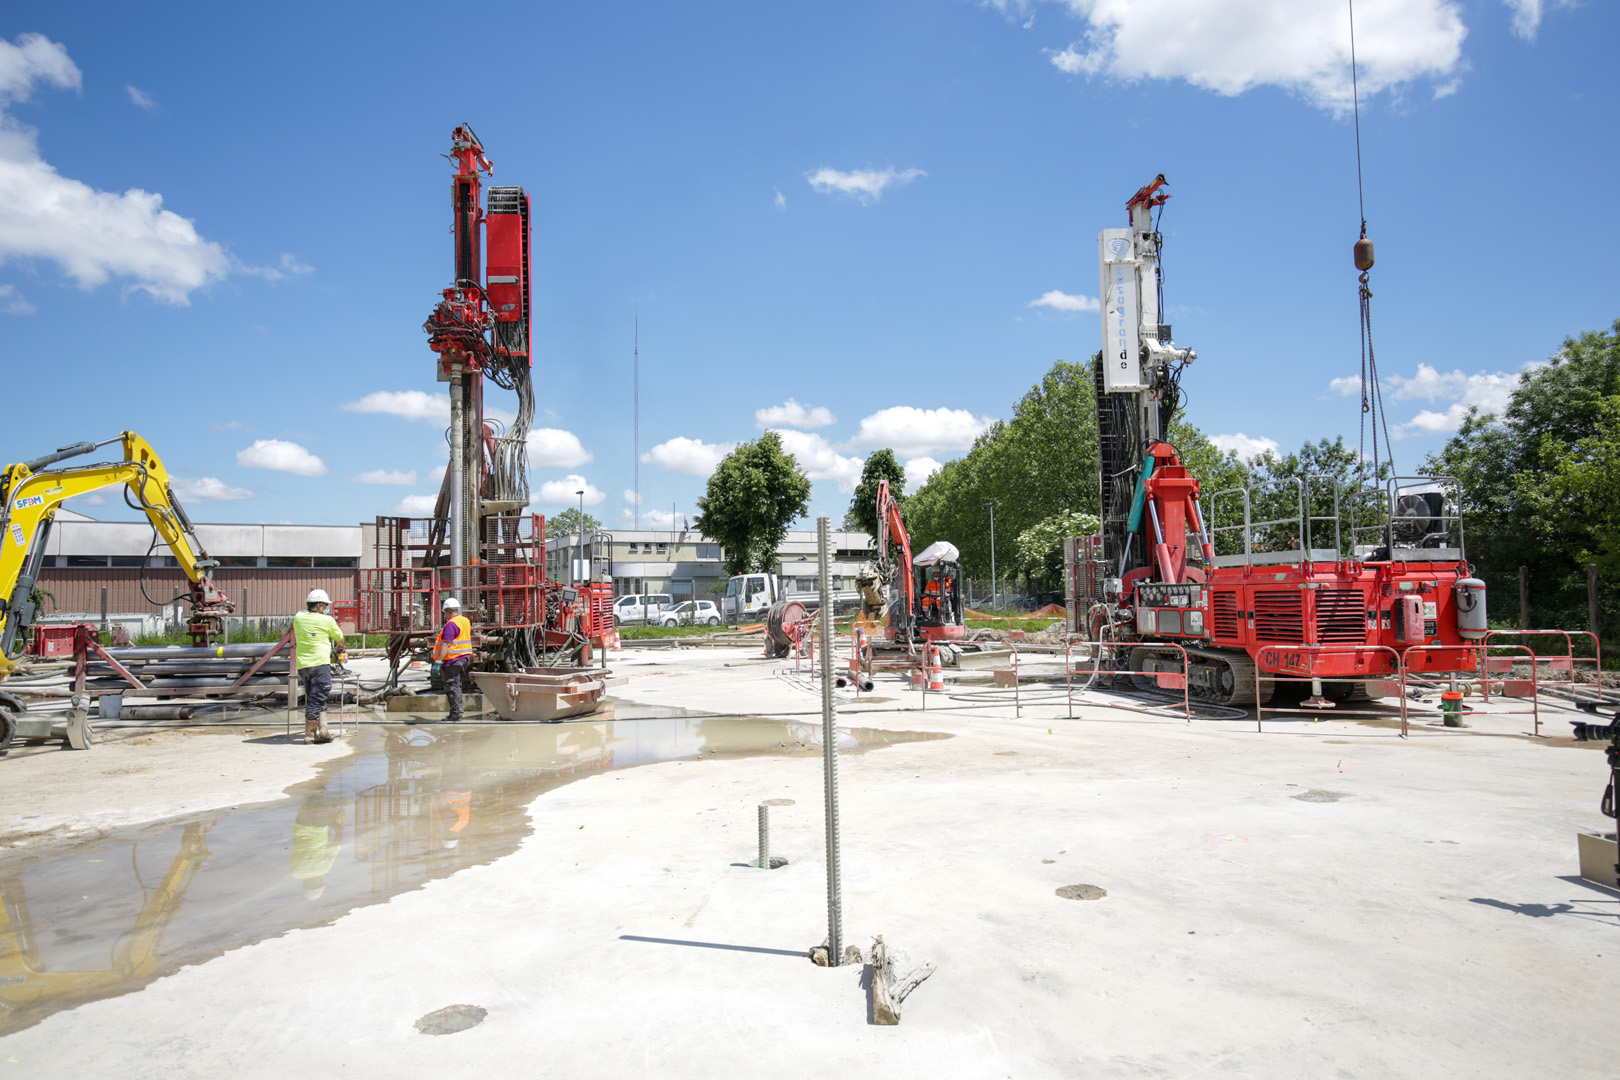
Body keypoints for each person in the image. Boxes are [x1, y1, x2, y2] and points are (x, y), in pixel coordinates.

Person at [292, 588, 347, 744]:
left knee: (315, 696)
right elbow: (340, 640)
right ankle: (309, 734)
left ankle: (323, 730)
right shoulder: (327, 620)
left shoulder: (298, 617)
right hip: (319, 664)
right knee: (318, 697)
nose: (326, 608)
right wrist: (340, 648)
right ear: (319, 606)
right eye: (324, 605)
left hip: (303, 665)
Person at [434, 596, 473, 723]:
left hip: (453, 660)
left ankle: (455, 715)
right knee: (457, 686)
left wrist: (438, 662)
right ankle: (456, 712)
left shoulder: (451, 624)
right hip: (464, 658)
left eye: (445, 612)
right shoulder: (465, 620)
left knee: (452, 687)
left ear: (448, 611)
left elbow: (446, 644)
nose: (444, 614)